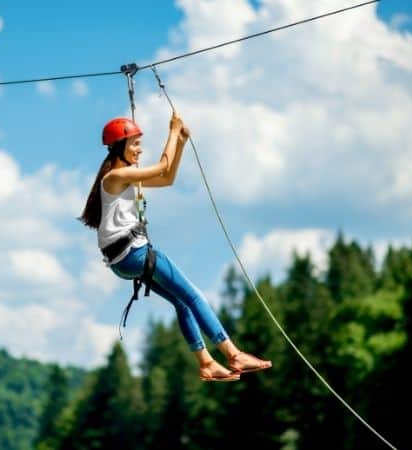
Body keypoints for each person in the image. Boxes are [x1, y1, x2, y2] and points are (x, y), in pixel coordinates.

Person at [79, 112, 272, 382]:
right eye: (135, 143)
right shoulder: (117, 175)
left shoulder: (123, 177)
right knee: (194, 296)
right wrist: (172, 131)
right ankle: (232, 353)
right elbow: (160, 166)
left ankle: (206, 363)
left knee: (181, 302)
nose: (139, 149)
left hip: (123, 261)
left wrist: (179, 143)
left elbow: (166, 178)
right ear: (120, 146)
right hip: (134, 255)